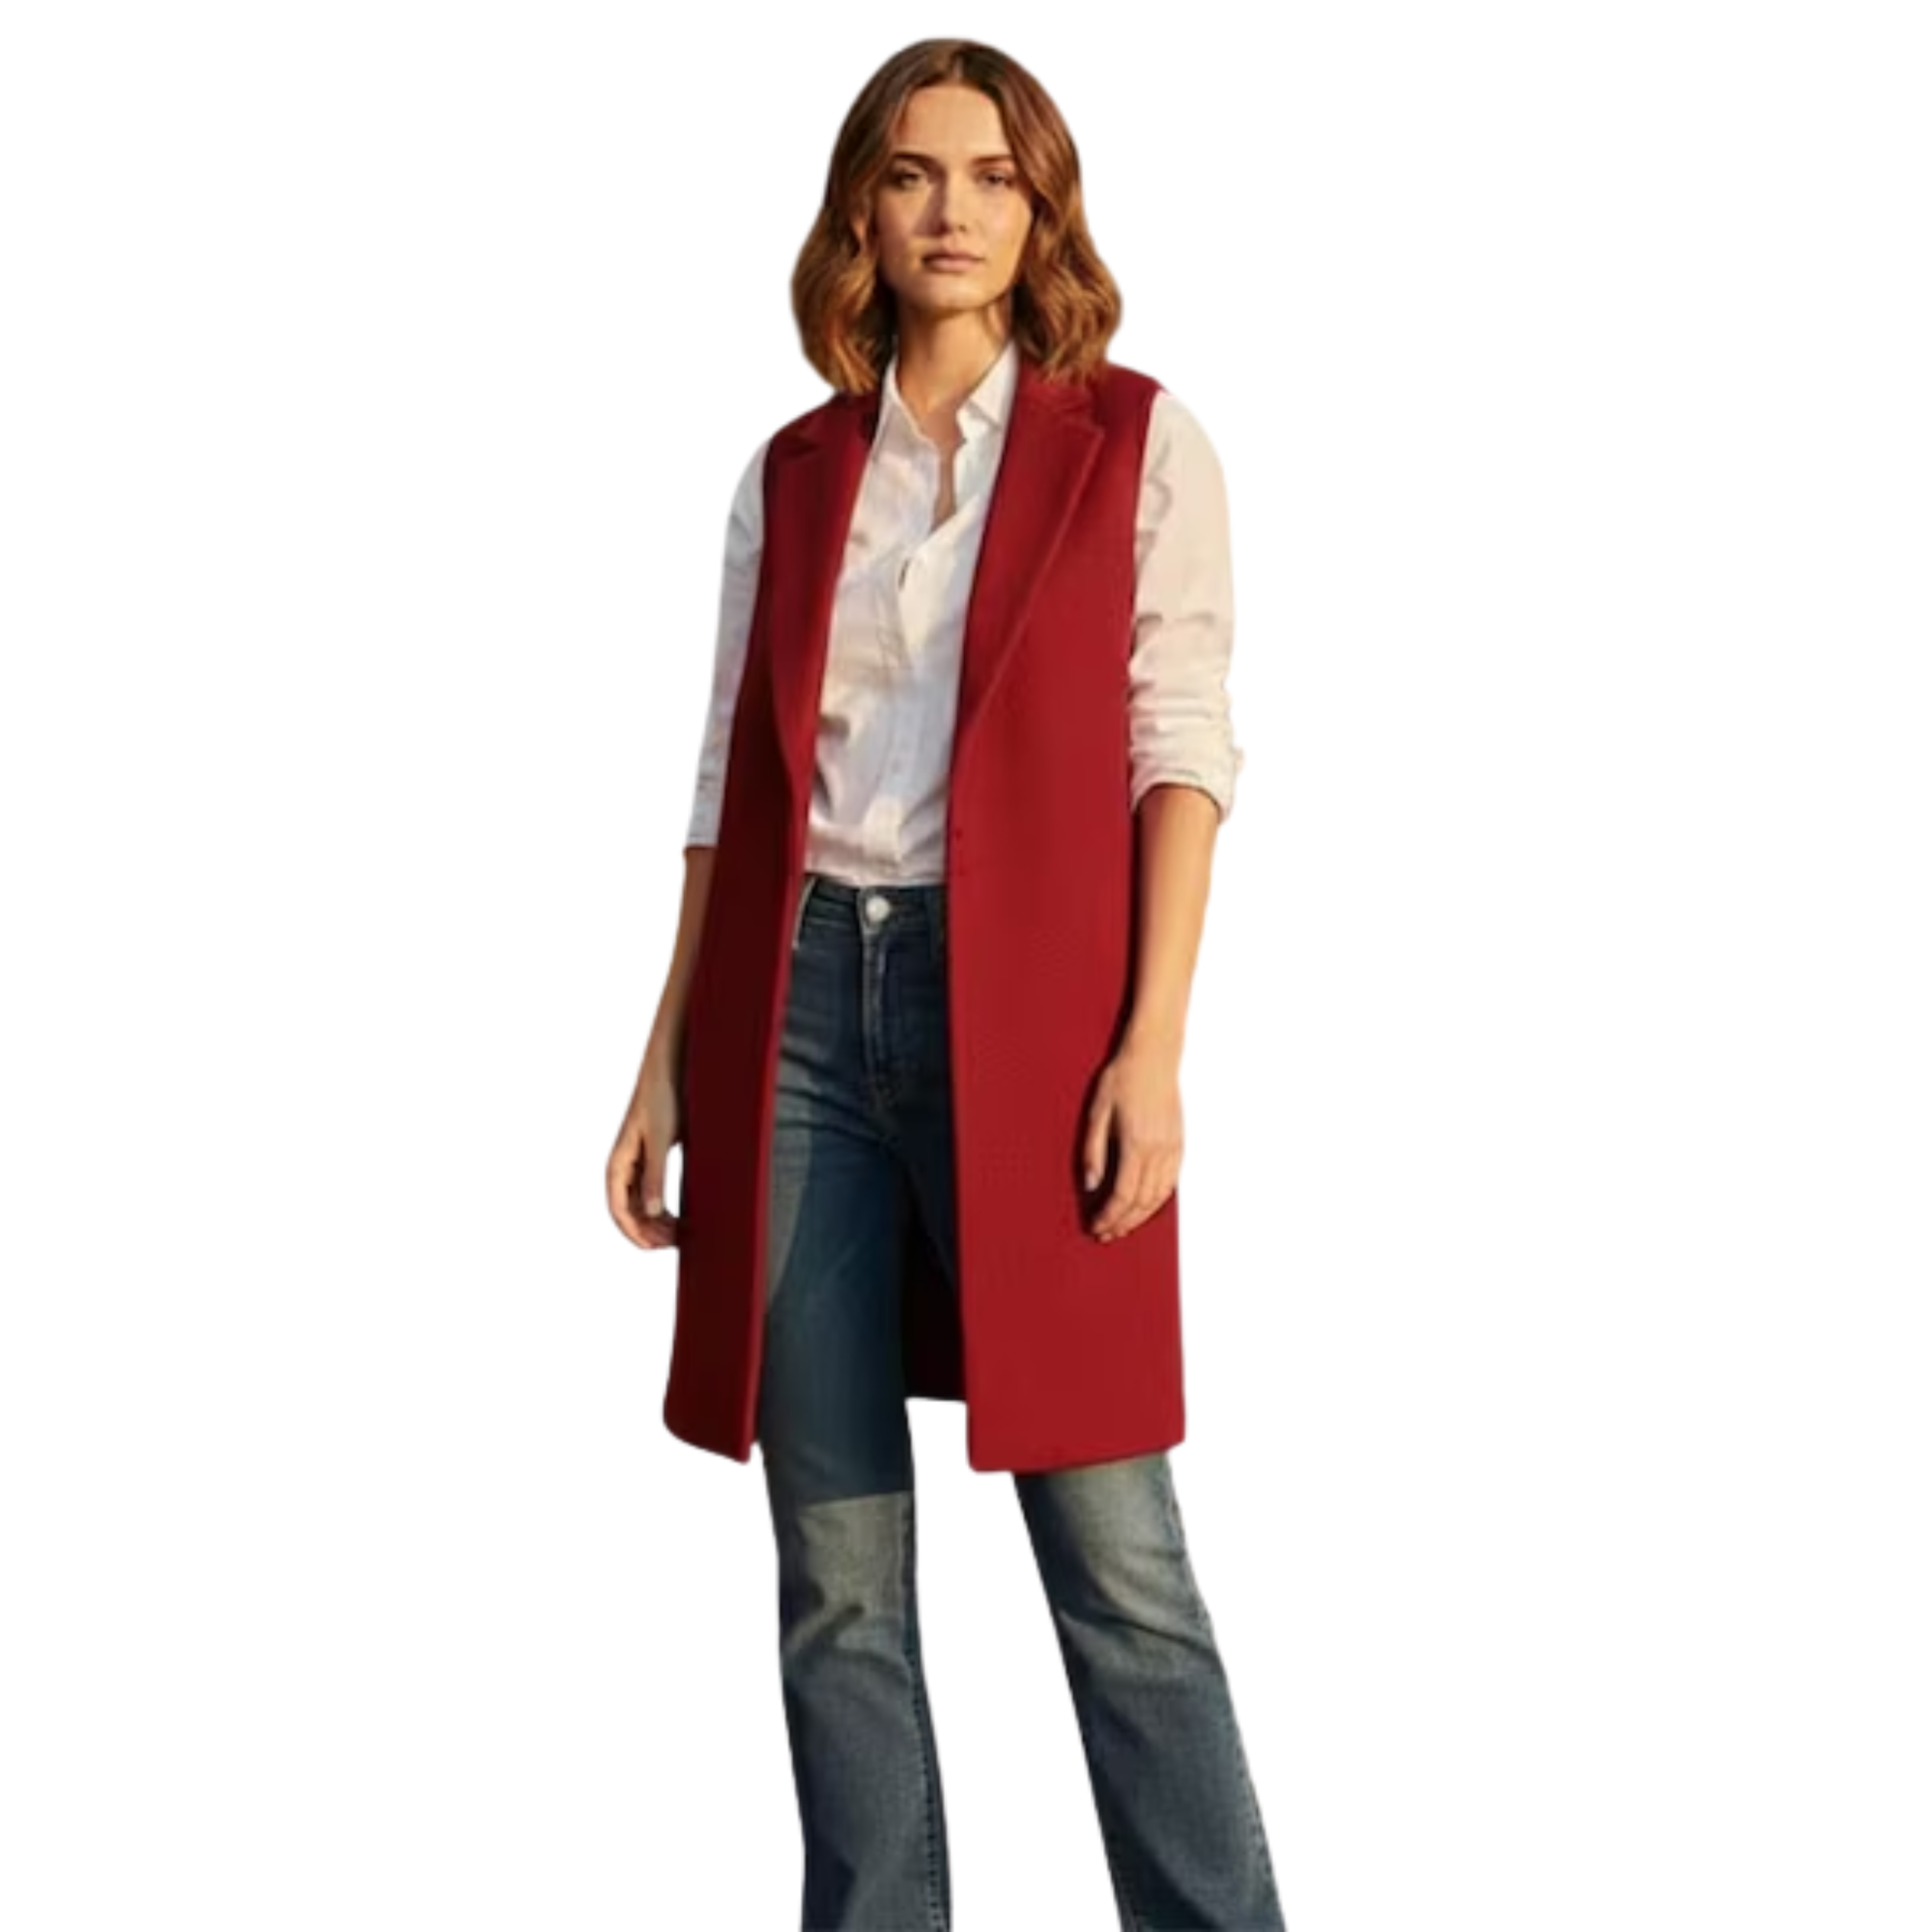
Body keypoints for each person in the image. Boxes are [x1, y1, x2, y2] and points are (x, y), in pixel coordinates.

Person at [608, 37, 1286, 1932]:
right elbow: (728, 790)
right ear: (862, 210)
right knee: (832, 1568)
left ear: (1041, 206)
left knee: (1116, 1550)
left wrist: (1152, 1047)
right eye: (912, 175)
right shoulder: (794, 471)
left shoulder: (1134, 442)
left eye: (992, 177)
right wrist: (665, 1062)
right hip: (794, 1017)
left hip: (1031, 1026)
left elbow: (1180, 751)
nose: (952, 212)